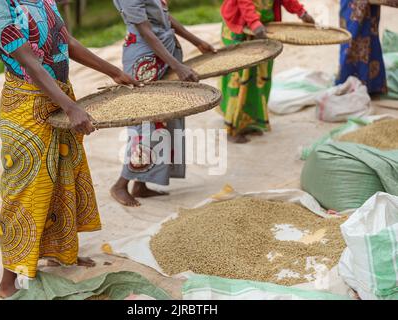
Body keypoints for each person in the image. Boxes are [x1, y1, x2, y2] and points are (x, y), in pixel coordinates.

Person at [0, 0, 138, 298]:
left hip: (60, 97)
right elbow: (26, 59)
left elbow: (66, 41)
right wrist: (72, 108)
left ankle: (60, 253)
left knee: (65, 177)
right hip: (26, 105)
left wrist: (113, 71)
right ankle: (8, 281)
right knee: (26, 187)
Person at [110, 0, 216, 207]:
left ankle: (141, 184)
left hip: (163, 51)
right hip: (145, 58)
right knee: (147, 123)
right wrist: (177, 66)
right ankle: (120, 184)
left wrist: (197, 42)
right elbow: (145, 31)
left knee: (167, 118)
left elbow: (164, 19)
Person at [220, 0, 315, 143]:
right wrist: (254, 22)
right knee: (239, 79)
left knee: (259, 77)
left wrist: (301, 13)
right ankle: (232, 128)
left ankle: (249, 122)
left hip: (262, 28)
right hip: (240, 26)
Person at [336, 0, 387, 96]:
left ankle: (373, 86)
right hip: (353, 4)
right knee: (351, 40)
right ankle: (347, 84)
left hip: (370, 6)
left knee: (371, 39)